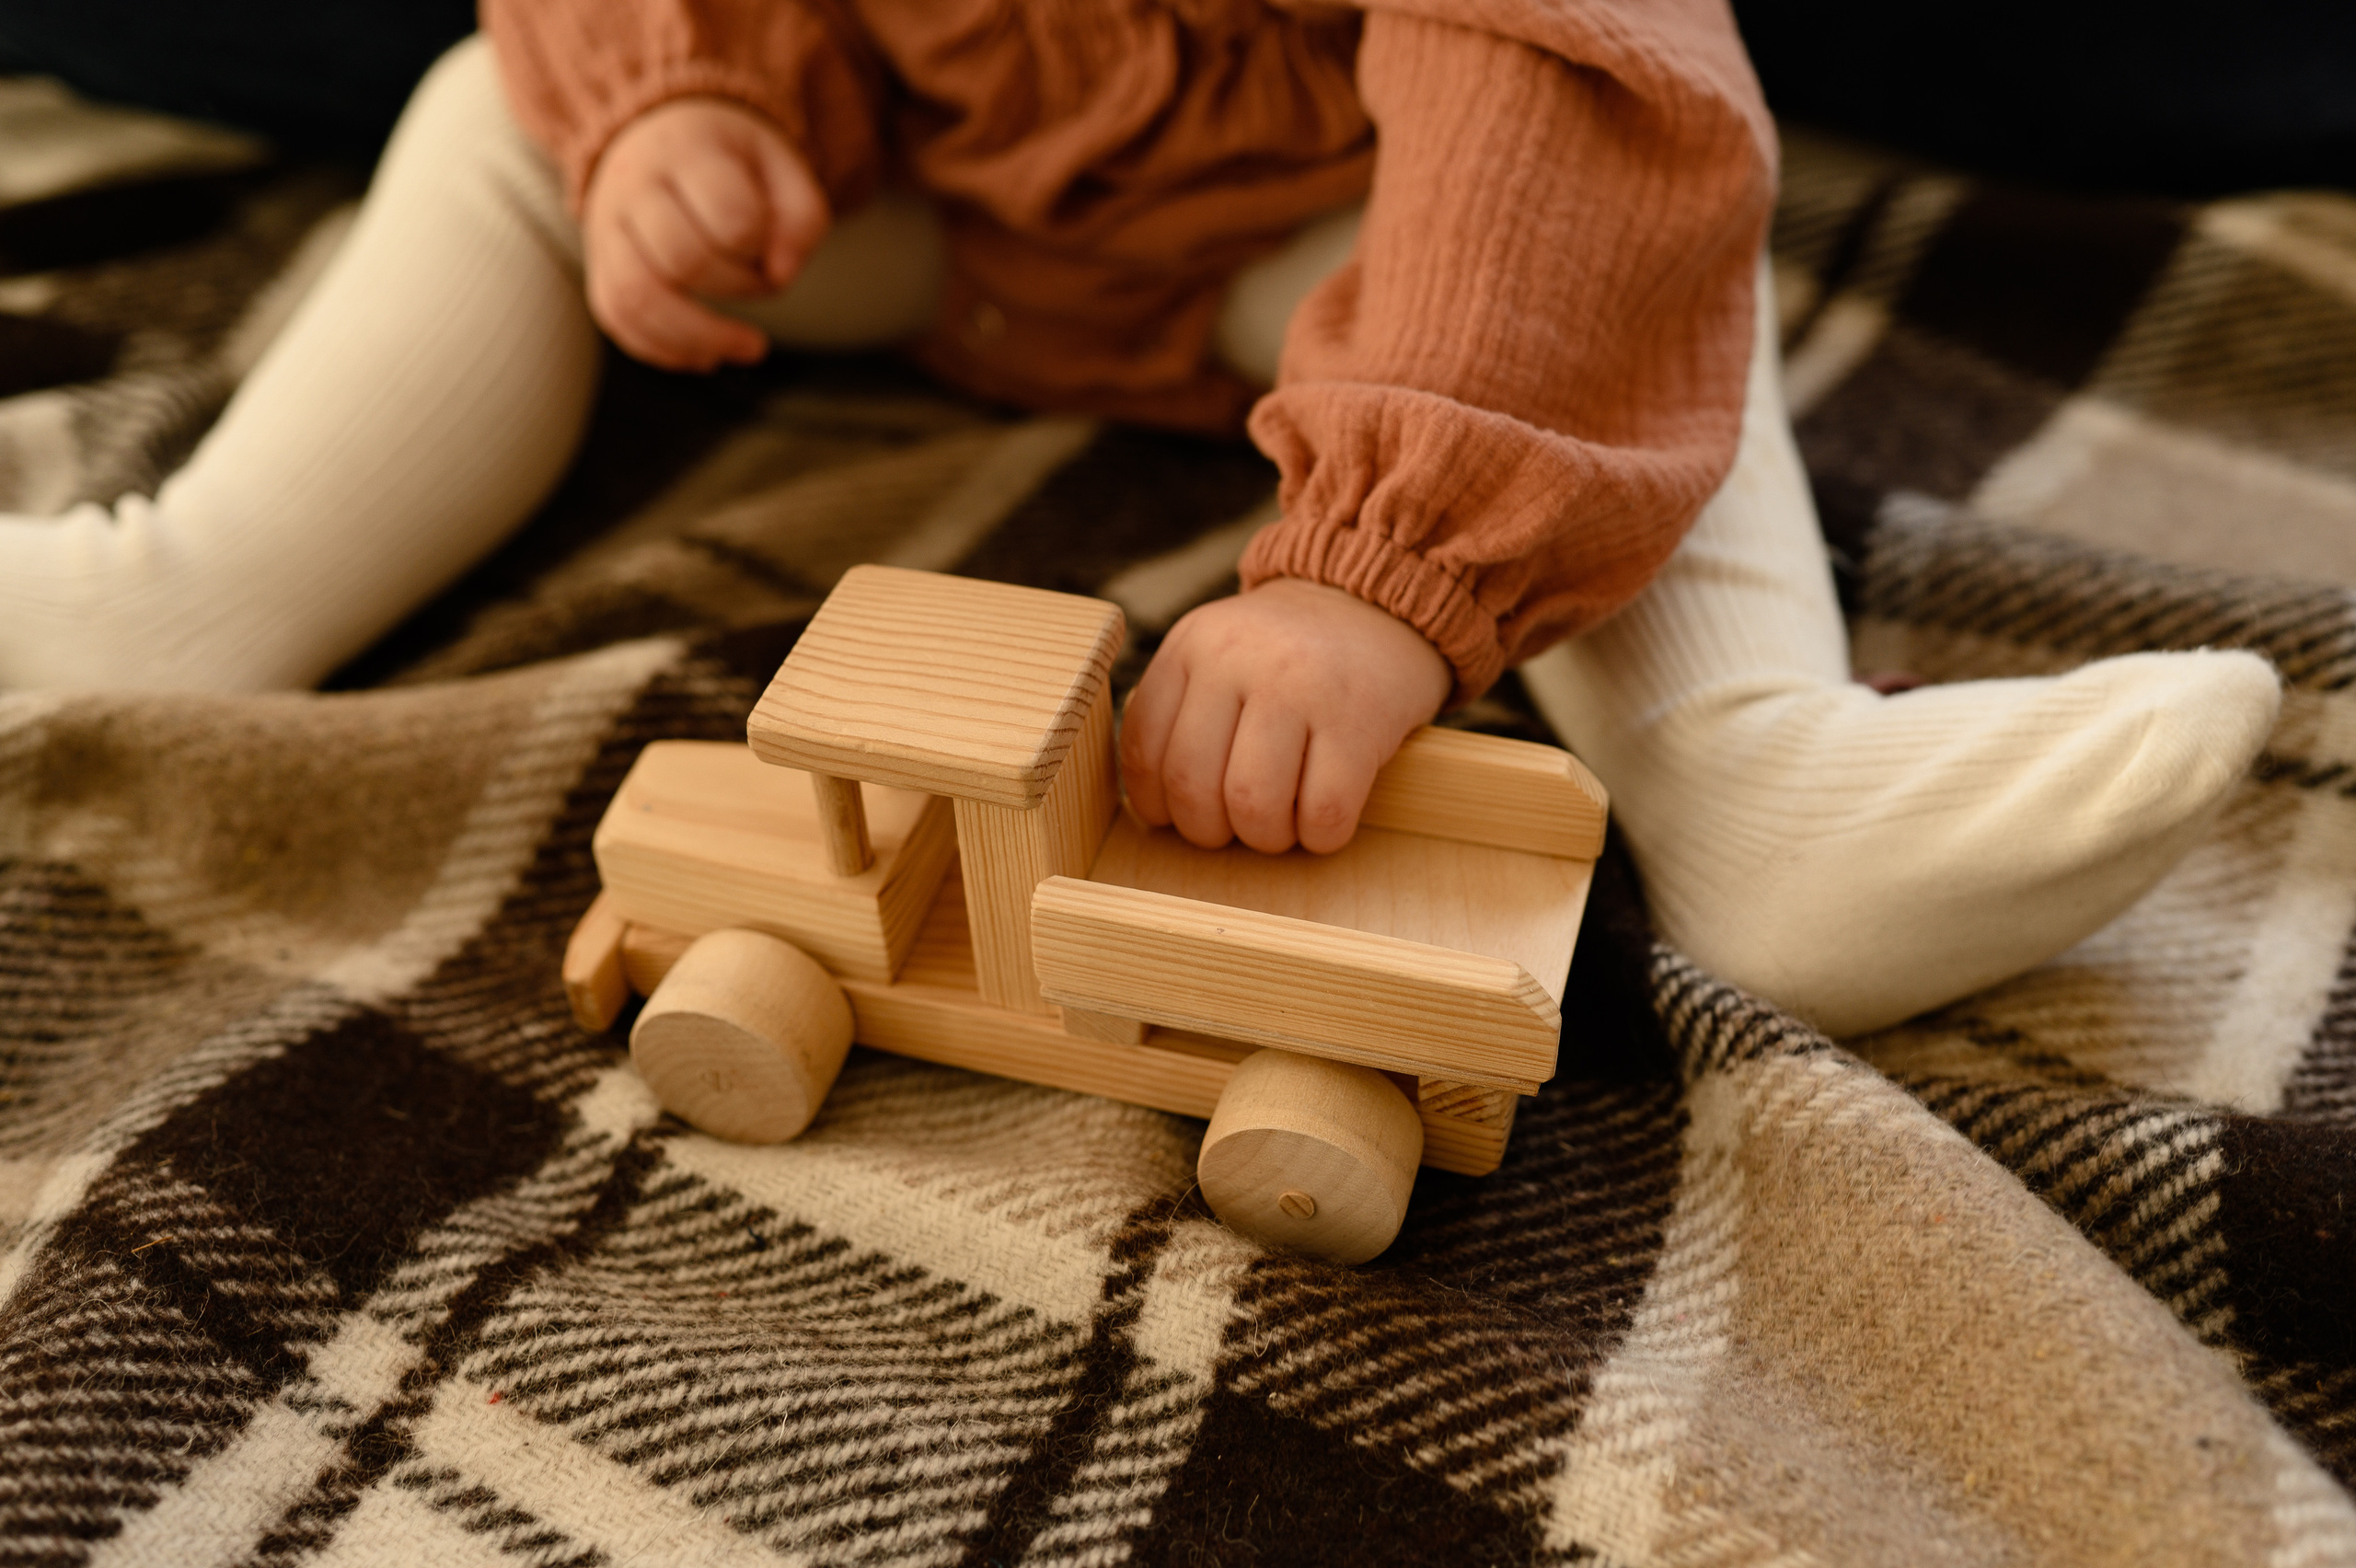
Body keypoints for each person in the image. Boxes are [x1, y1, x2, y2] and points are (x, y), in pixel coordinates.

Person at [0, 0, 2281, 1037]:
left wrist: (1382, 575)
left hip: (1329, 247)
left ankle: (1746, 771)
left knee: (1636, 271)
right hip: (906, 186)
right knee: (486, 105)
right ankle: (199, 581)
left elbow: (1559, 117)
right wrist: (673, 99)